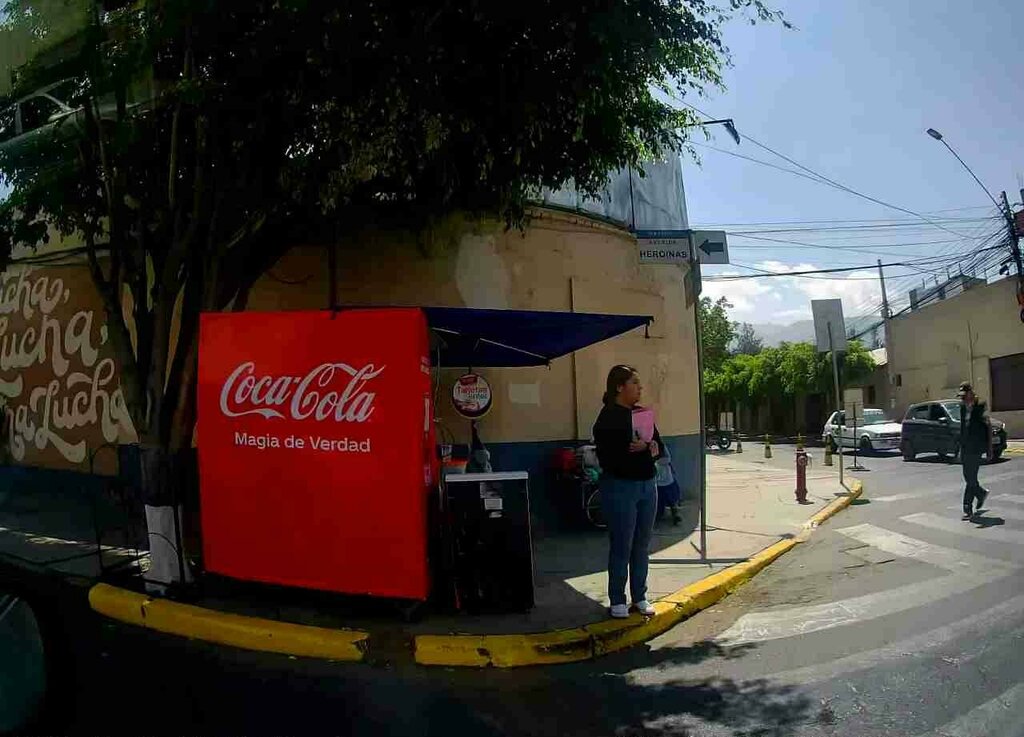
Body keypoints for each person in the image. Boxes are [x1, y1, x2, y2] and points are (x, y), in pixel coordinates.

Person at [592, 365, 663, 619]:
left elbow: (659, 448)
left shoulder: (642, 414)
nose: (640, 388)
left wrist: (647, 446)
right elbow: (609, 458)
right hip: (620, 486)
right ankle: (617, 599)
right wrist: (639, 450)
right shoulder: (607, 418)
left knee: (642, 545)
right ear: (619, 387)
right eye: (635, 383)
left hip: (648, 485)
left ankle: (640, 596)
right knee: (622, 545)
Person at [957, 382, 993, 520]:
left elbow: (988, 427)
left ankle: (967, 508)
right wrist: (960, 448)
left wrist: (989, 448)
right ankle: (981, 493)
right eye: (962, 397)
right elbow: (962, 427)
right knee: (968, 477)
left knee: (970, 477)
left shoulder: (981, 406)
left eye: (965, 396)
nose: (963, 399)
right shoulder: (962, 407)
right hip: (966, 447)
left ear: (971, 393)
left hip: (977, 447)